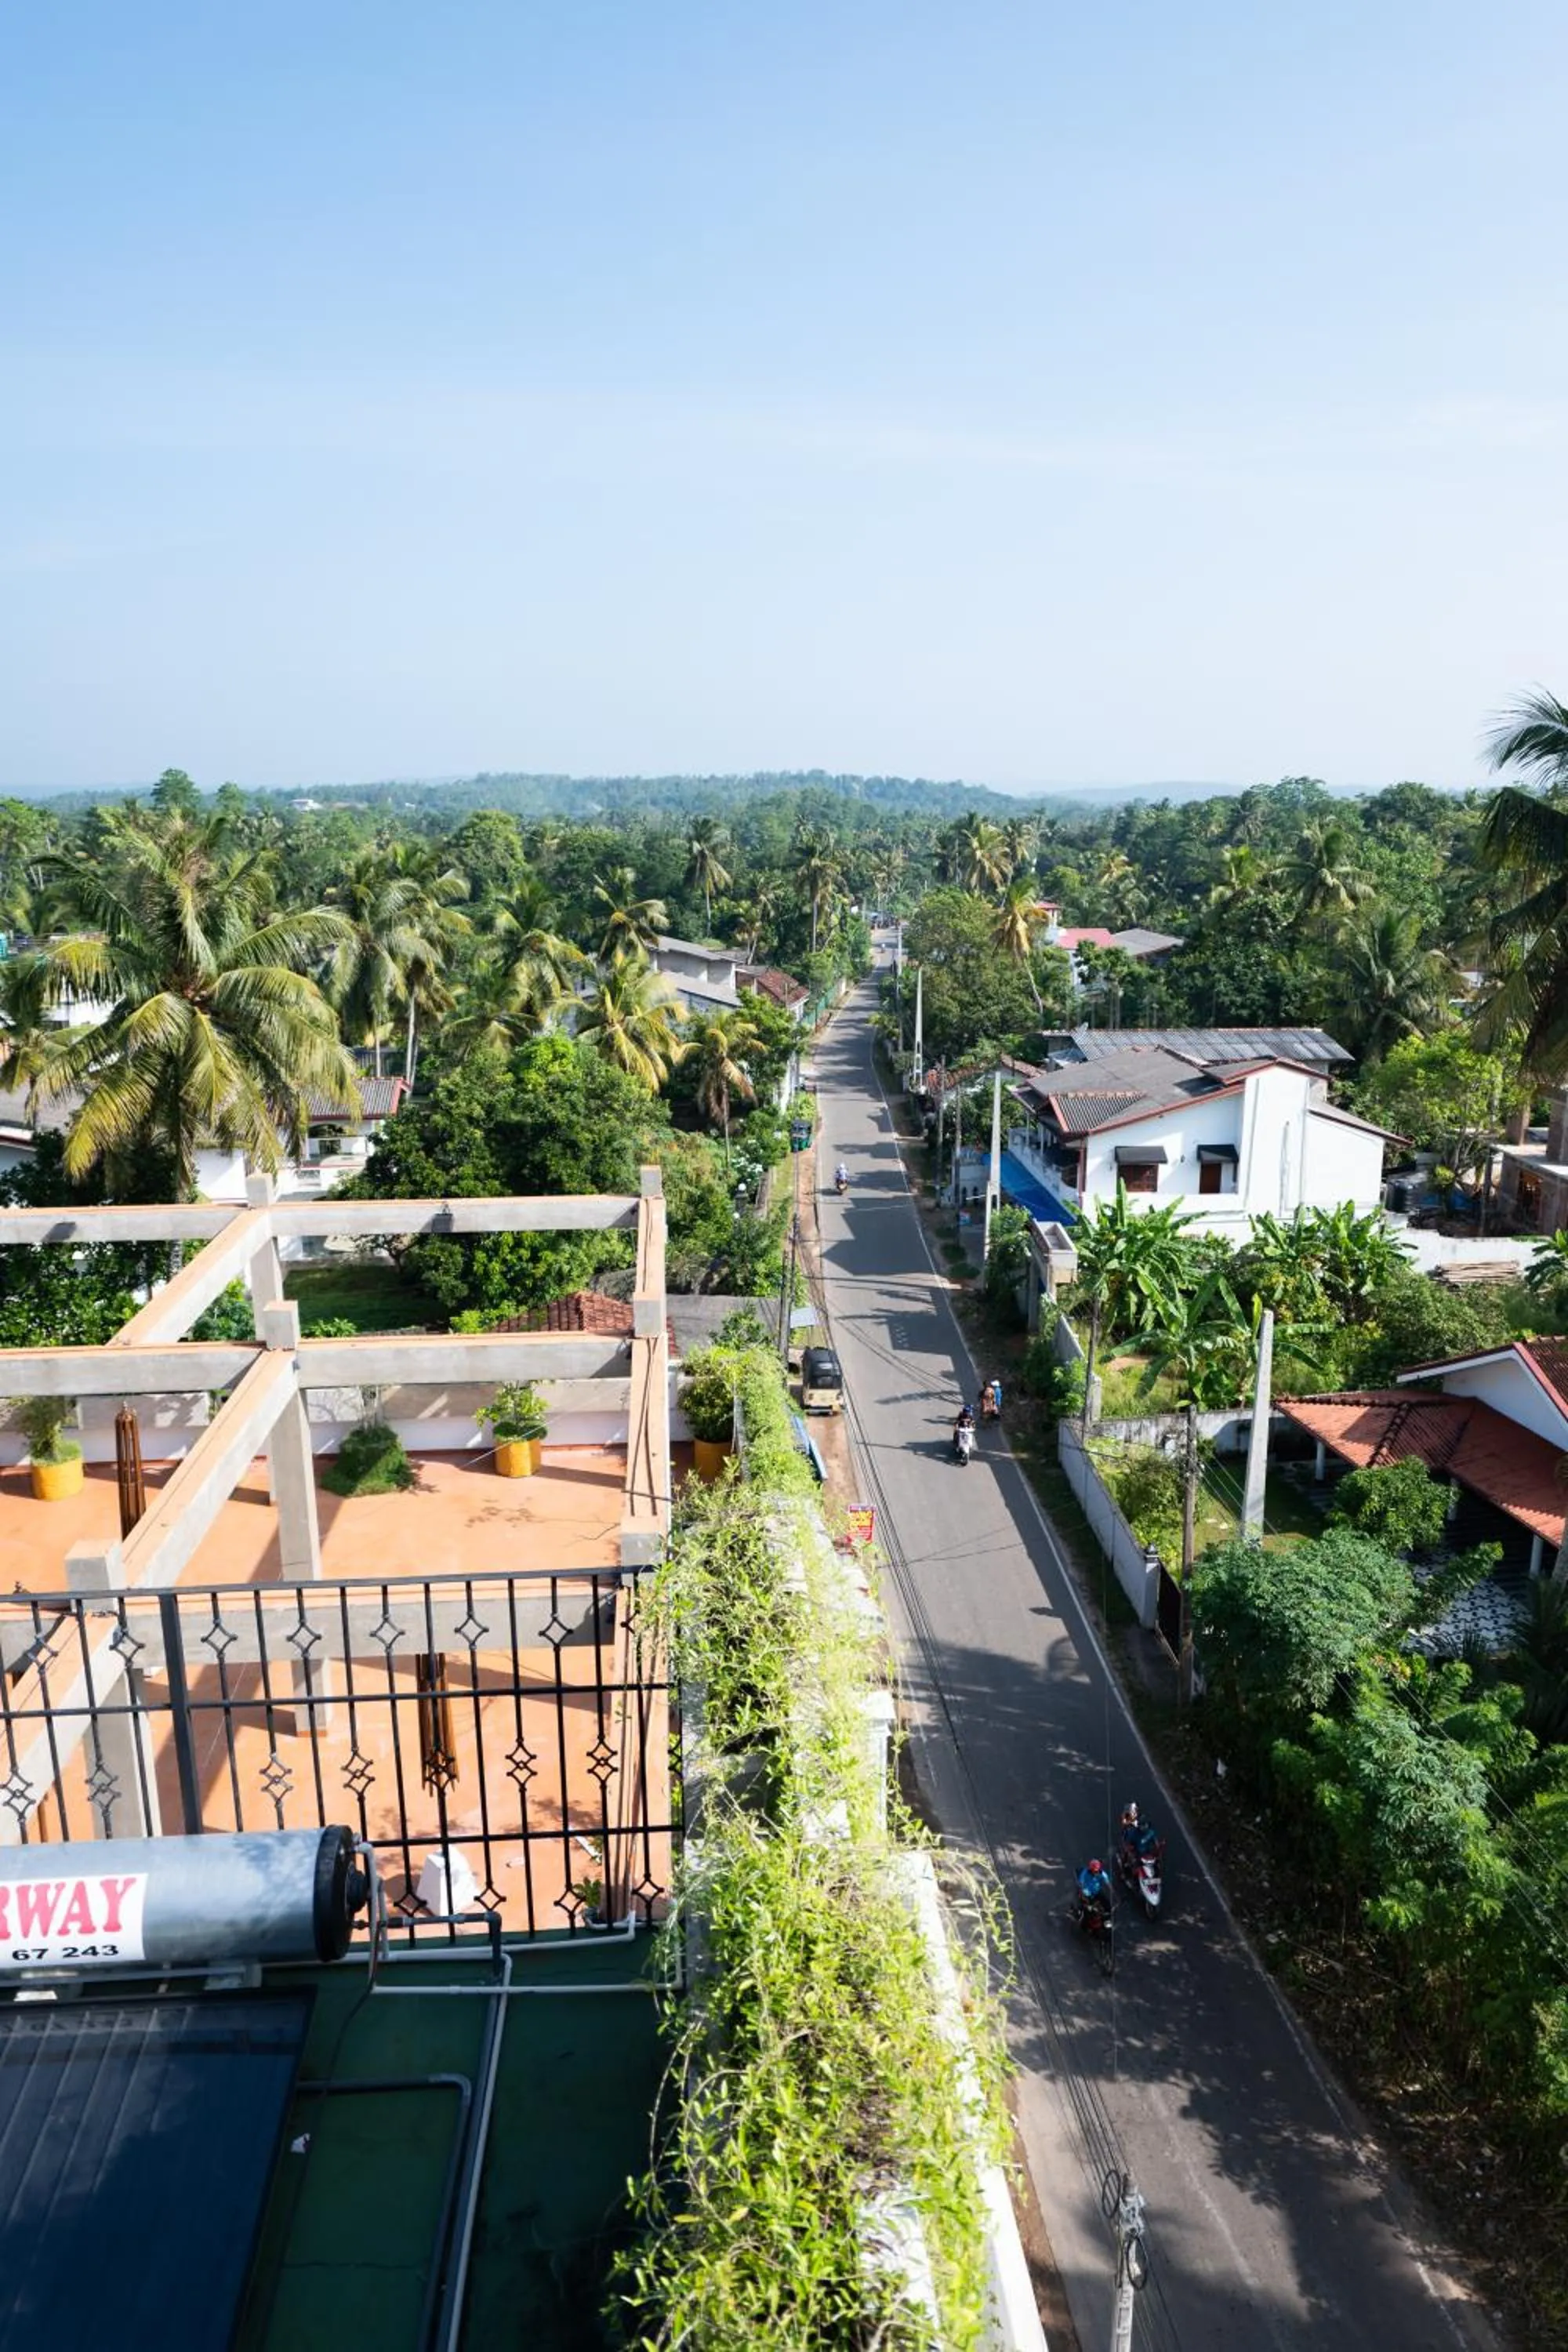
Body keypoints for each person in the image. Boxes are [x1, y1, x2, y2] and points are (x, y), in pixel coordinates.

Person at [1076, 1857, 1113, 1922]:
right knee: (1086, 1910)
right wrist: (1082, 1894)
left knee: (1107, 1905)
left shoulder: (1101, 1873)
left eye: (1096, 1871)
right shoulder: (1085, 1873)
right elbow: (1081, 1883)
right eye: (1094, 1871)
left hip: (1097, 1892)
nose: (1095, 1873)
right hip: (1087, 1893)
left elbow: (1108, 1883)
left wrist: (1113, 1892)